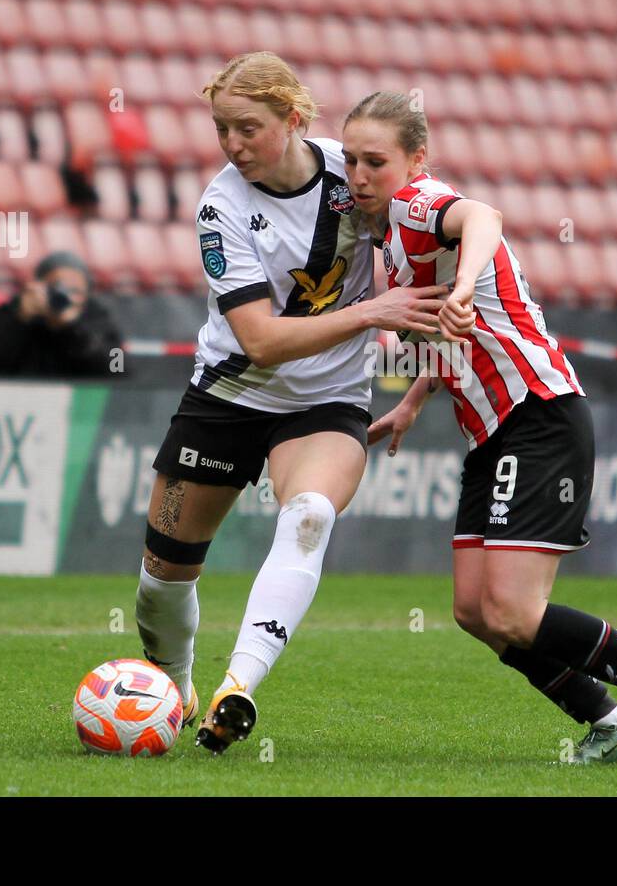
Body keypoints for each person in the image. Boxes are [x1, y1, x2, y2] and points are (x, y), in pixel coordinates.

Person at [344, 92, 617, 767]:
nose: (359, 174)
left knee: (516, 613)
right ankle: (611, 722)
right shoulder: (389, 241)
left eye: (376, 160)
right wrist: (413, 402)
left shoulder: (418, 203)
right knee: (474, 611)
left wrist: (462, 288)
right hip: (490, 434)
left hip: (538, 415)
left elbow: (484, 217)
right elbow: (455, 333)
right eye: (350, 159)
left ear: (416, 161)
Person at [133, 53, 447, 753]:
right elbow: (262, 342)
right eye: (222, 129)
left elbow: (439, 247)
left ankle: (235, 687)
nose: (233, 144)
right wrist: (372, 314)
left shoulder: (356, 174)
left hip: (329, 399)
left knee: (308, 515)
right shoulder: (221, 209)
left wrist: (423, 383)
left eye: (249, 127)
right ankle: (175, 685)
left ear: (295, 120)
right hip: (232, 393)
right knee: (161, 578)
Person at [0, 251, 123, 378]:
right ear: (38, 286)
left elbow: (119, 369)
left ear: (87, 293)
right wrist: (19, 320)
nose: (65, 296)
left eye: (75, 290)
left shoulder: (99, 318)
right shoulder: (6, 314)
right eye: (56, 288)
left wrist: (72, 329)